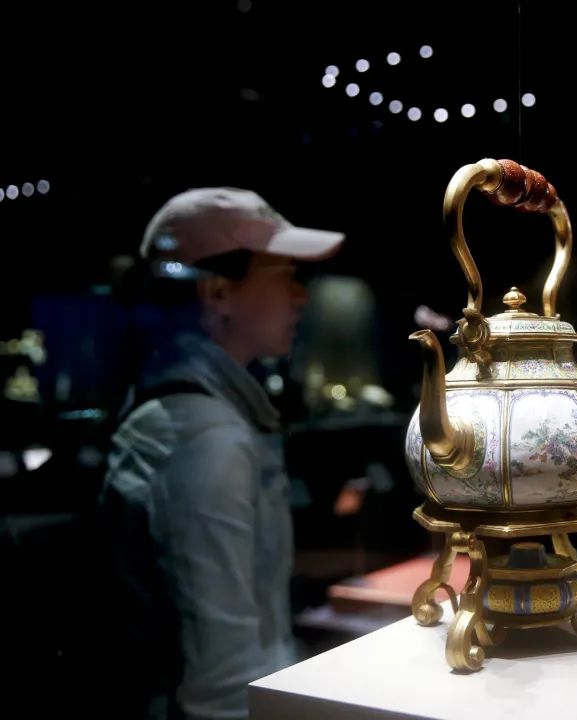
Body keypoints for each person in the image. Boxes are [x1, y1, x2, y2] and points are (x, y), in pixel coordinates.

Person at [98, 187, 344, 719]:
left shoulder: (205, 418)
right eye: (284, 276)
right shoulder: (204, 438)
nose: (300, 297)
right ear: (217, 293)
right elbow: (220, 689)